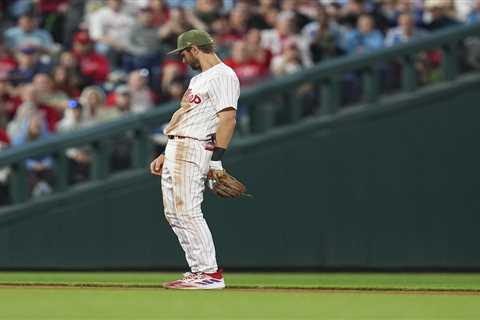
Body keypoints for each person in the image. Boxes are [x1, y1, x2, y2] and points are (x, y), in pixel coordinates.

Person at [150, 29, 240, 290]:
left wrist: (216, 161)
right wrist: (167, 152)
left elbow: (228, 119)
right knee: (174, 213)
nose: (182, 60)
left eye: (183, 54)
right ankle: (199, 270)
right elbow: (189, 117)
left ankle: (210, 274)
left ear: (194, 49)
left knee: (188, 210)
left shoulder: (223, 75)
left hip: (194, 148)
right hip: (179, 146)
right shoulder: (199, 79)